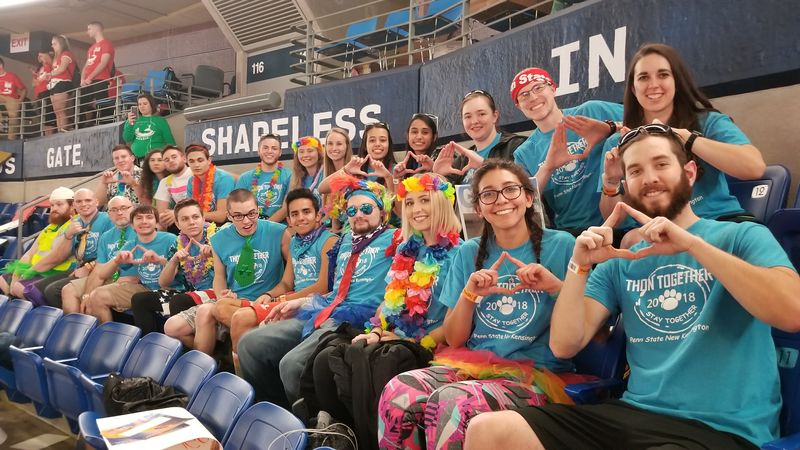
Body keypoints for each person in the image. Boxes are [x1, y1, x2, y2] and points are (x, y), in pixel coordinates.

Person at [463, 124, 800, 450]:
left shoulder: (739, 237)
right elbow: (565, 344)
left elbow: (791, 313)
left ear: (690, 173)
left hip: (721, 428)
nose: (649, 178)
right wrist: (579, 264)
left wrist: (694, 246)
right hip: (633, 415)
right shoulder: (621, 260)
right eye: (636, 171)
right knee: (491, 430)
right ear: (627, 184)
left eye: (661, 164)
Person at [378, 160, 585, 450]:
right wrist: (470, 295)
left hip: (537, 372)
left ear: (528, 198)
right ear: (479, 208)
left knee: (452, 403)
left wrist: (554, 287)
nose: (500, 200)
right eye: (488, 194)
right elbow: (454, 338)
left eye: (510, 190)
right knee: (399, 390)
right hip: (473, 365)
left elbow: (587, 322)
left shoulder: (562, 245)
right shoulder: (468, 252)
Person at [310, 173, 461, 449]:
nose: (416, 210)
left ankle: (372, 442)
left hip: (433, 342)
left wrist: (407, 339)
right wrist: (378, 330)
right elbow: (390, 301)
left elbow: (453, 326)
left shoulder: (458, 252)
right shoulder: (406, 248)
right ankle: (346, 432)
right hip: (396, 334)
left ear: (441, 203)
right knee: (327, 356)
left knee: (375, 360)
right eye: (411, 202)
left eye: (424, 201)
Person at [238, 176, 397, 407]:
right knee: (249, 343)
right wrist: (299, 302)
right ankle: (275, 407)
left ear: (382, 212)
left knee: (291, 365)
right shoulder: (344, 242)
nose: (358, 214)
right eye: (351, 211)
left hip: (359, 318)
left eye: (366, 208)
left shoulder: (395, 238)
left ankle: (307, 424)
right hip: (326, 308)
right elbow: (333, 291)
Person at [599, 43, 766, 224]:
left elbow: (754, 168)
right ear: (633, 88)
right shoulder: (619, 142)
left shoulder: (709, 122)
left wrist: (688, 138)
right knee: (629, 239)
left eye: (663, 75)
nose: (653, 85)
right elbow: (612, 221)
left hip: (717, 222)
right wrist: (611, 182)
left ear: (676, 82)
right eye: (643, 77)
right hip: (654, 234)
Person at [229, 188, 336, 365]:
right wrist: (270, 295)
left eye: (306, 212)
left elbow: (323, 286)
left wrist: (283, 300)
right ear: (289, 221)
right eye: (295, 214)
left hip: (314, 304)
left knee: (241, 318)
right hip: (292, 299)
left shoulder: (328, 240)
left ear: (318, 215)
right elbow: (287, 282)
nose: (300, 217)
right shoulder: (294, 241)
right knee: (228, 309)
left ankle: (245, 380)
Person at [511, 68, 623, 234]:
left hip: (620, 224)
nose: (533, 97)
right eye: (524, 95)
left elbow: (646, 124)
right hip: (571, 233)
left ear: (553, 88)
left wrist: (611, 128)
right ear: (518, 106)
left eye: (538, 88)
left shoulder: (591, 111)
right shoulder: (524, 153)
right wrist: (548, 167)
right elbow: (523, 201)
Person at [191, 189, 287, 355]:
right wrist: (222, 294)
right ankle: (207, 369)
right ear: (228, 216)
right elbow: (219, 277)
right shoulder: (218, 239)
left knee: (221, 310)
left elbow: (289, 279)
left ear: (258, 210)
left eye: (252, 214)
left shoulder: (279, 232)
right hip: (236, 299)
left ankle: (241, 362)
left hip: (267, 298)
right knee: (201, 313)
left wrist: (270, 294)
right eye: (238, 216)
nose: (246, 221)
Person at [132, 199, 217, 338]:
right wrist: (174, 260)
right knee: (140, 300)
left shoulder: (218, 236)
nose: (191, 222)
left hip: (216, 292)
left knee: (180, 301)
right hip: (190, 292)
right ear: (177, 224)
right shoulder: (177, 243)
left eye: (195, 217)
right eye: (185, 219)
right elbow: (163, 283)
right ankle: (152, 346)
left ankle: (186, 352)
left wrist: (214, 251)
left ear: (203, 218)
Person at [82, 205, 176, 323]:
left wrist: (159, 260)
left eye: (149, 217)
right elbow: (102, 274)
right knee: (96, 295)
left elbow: (182, 270)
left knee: (140, 300)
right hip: (145, 288)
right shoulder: (131, 245)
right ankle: (107, 336)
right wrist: (117, 260)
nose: (144, 221)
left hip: (171, 289)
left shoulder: (171, 239)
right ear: (132, 225)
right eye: (139, 218)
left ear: (157, 223)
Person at [29, 189, 114, 307]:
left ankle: (77, 322)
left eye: (88, 200)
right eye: (79, 201)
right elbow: (61, 254)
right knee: (35, 289)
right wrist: (68, 234)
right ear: (74, 205)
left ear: (96, 202)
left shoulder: (107, 219)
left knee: (53, 291)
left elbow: (112, 252)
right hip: (80, 267)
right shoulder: (74, 222)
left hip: (100, 268)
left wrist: (89, 268)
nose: (84, 204)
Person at [433, 89, 526, 185]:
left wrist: (484, 164)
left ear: (495, 116)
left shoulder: (517, 146)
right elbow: (447, 198)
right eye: (468, 116)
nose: (474, 121)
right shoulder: (462, 160)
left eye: (481, 114)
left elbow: (525, 188)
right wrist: (440, 177)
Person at [0, 187, 74, 302]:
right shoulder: (49, 227)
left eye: (59, 204)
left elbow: (55, 258)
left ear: (72, 206)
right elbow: (30, 253)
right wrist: (18, 271)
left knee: (20, 288)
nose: (54, 209)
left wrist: (29, 272)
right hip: (38, 269)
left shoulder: (74, 226)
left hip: (57, 271)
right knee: (2, 281)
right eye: (52, 205)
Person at [60, 195, 131, 313]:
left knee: (95, 298)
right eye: (114, 210)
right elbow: (98, 271)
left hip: (126, 279)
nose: (119, 212)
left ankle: (103, 330)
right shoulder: (106, 236)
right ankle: (78, 329)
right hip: (108, 277)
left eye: (124, 208)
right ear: (109, 214)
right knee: (68, 290)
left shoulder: (139, 231)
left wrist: (91, 295)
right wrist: (86, 296)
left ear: (132, 209)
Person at [234, 134, 293, 222]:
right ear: (258, 151)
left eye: (274, 148)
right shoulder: (245, 178)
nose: (269, 151)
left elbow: (286, 209)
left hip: (279, 230)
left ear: (280, 152)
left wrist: (264, 228)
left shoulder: (290, 176)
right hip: (250, 229)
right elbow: (238, 208)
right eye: (265, 148)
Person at [184, 144, 236, 224]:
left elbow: (222, 216)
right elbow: (191, 208)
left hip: (227, 225)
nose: (196, 165)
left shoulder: (223, 179)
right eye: (191, 161)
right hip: (202, 224)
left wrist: (194, 215)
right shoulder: (191, 181)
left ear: (209, 160)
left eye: (200, 160)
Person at [80, 21, 115, 125]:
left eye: (89, 29)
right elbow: (86, 65)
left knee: (102, 102)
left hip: (101, 78)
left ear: (97, 29)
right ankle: (85, 125)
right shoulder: (91, 48)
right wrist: (82, 78)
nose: (87, 32)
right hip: (88, 80)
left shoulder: (106, 44)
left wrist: (90, 77)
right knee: (81, 103)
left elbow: (103, 63)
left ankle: (106, 124)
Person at [122, 94, 176, 160]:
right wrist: (130, 124)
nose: (142, 106)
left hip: (157, 159)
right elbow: (127, 139)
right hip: (137, 159)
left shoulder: (160, 121)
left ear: (151, 105)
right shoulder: (131, 120)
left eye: (145, 104)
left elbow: (169, 140)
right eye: (139, 104)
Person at [321, 127, 353, 231]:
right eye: (330, 144)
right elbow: (331, 218)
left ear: (347, 146)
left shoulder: (354, 171)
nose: (334, 148)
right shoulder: (326, 176)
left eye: (339, 144)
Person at [154, 145, 192, 230]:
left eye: (174, 157)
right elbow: (161, 214)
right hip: (181, 223)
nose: (171, 161)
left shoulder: (195, 173)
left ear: (184, 158)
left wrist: (176, 213)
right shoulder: (165, 182)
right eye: (166, 160)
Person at [47, 35, 77, 132]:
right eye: (52, 44)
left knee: (61, 109)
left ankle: (63, 129)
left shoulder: (66, 54)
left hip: (63, 82)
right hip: (54, 83)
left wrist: (49, 74)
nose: (52, 46)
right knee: (56, 110)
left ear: (61, 44)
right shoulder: (56, 56)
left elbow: (62, 68)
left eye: (55, 44)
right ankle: (60, 129)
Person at [394, 113, 438, 178]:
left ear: (434, 137)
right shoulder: (405, 165)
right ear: (407, 135)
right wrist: (397, 178)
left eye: (425, 132)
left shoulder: (442, 158)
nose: (419, 137)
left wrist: (434, 169)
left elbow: (449, 186)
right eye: (414, 132)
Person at [0, 57, 27, 140]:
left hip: (11, 99)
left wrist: (20, 100)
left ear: (0, 66)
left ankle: (11, 139)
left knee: (13, 116)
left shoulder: (11, 76)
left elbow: (24, 89)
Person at [30, 49, 56, 136]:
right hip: (39, 94)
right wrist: (35, 76)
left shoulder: (49, 66)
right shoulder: (39, 68)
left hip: (47, 92)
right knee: (43, 118)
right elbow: (34, 84)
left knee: (49, 116)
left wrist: (38, 79)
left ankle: (50, 135)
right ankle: (45, 135)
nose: (39, 57)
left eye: (41, 55)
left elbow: (46, 79)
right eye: (38, 56)